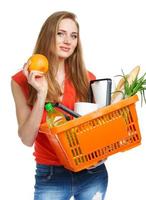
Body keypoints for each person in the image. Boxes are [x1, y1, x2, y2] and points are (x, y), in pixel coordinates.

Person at [11, 11, 108, 200]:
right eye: (60, 33)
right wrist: (41, 94)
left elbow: (97, 130)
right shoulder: (21, 81)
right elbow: (27, 139)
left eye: (73, 36)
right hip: (51, 176)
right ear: (48, 35)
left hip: (91, 174)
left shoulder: (88, 79)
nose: (68, 41)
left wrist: (102, 154)